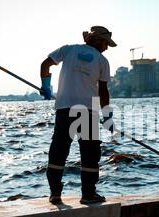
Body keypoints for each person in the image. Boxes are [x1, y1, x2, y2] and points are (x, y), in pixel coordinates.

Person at [40, 26, 116, 205]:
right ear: (97, 40)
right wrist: (107, 116)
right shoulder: (102, 61)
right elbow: (103, 92)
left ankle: (55, 194)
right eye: (106, 43)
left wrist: (45, 85)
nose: (106, 47)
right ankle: (88, 194)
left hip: (65, 109)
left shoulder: (68, 50)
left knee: (58, 151)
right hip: (88, 111)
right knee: (90, 153)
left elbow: (45, 65)